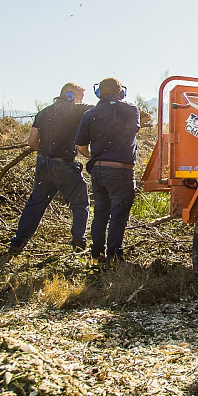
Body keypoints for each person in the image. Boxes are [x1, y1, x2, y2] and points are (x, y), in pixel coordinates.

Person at [8, 83, 93, 255]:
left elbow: (32, 142)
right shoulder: (75, 110)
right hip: (65, 164)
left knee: (36, 203)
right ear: (69, 95)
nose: (80, 101)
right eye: (79, 98)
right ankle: (79, 243)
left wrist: (48, 151)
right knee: (80, 203)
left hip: (43, 163)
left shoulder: (43, 113)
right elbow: (99, 110)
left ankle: (17, 243)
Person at [75, 77, 141, 263]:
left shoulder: (90, 114)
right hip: (122, 171)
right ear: (121, 92)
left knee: (100, 213)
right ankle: (114, 254)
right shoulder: (131, 109)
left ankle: (97, 253)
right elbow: (134, 128)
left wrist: (95, 157)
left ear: (99, 93)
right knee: (118, 215)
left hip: (98, 169)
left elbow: (81, 146)